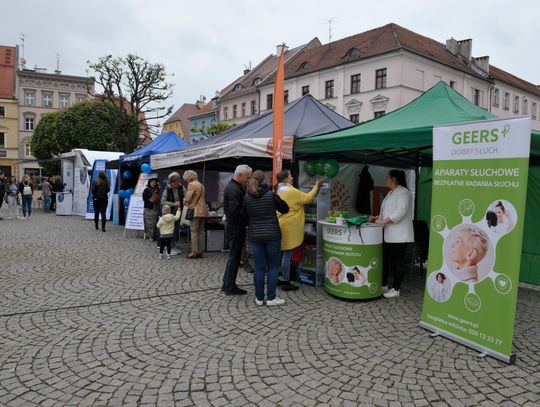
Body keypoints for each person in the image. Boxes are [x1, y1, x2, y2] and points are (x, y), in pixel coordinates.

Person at [244, 170, 289, 306]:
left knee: (258, 267)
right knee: (273, 267)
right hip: (272, 236)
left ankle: (259, 298)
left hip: (255, 236)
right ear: (265, 181)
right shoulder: (271, 195)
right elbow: (285, 209)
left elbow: (244, 217)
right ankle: (271, 298)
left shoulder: (246, 198)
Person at [275, 169, 323, 291]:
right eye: (290, 176)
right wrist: (316, 186)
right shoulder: (290, 191)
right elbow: (307, 198)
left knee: (279, 254)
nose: (292, 177)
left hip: (280, 223)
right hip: (289, 225)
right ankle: (286, 281)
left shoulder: (278, 189)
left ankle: (275, 278)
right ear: (285, 179)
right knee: (287, 254)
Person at [369, 169, 414, 299]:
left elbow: (401, 212)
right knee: (386, 260)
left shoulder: (404, 193)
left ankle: (396, 289)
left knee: (397, 262)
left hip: (400, 235)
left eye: (387, 177)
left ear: (393, 179)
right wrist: (376, 217)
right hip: (389, 234)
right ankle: (383, 285)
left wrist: (383, 221)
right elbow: (389, 211)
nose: (386, 180)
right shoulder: (391, 193)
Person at [222, 164, 252, 295]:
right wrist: (246, 220)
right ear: (239, 175)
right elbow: (235, 211)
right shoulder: (235, 189)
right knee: (234, 257)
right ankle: (229, 286)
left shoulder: (234, 186)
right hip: (235, 226)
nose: (248, 180)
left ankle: (226, 283)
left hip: (234, 225)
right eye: (247, 177)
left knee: (233, 256)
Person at [183, 170, 209, 259]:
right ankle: (200, 251)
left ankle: (194, 251)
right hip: (203, 210)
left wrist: (184, 201)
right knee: (201, 231)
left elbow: (188, 198)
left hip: (195, 211)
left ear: (188, 177)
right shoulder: (201, 185)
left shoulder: (191, 184)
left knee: (194, 231)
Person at [161, 172, 185, 250]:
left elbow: (187, 196)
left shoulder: (182, 188)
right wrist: (173, 204)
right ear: (171, 182)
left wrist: (184, 201)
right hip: (169, 213)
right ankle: (169, 245)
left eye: (178, 182)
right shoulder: (167, 190)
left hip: (178, 211)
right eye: (175, 183)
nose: (177, 184)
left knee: (176, 228)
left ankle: (173, 244)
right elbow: (163, 201)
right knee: (169, 229)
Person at [142, 177, 161, 241]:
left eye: (154, 183)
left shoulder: (158, 190)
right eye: (152, 182)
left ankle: (155, 235)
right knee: (149, 223)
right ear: (149, 183)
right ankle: (150, 236)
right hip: (148, 208)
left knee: (155, 222)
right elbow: (144, 199)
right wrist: (151, 200)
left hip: (156, 208)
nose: (153, 184)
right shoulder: (146, 190)